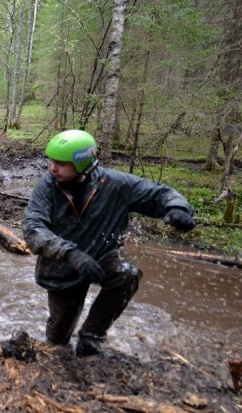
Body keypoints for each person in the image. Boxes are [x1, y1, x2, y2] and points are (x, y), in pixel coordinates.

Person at [22, 130, 196, 357]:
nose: (53, 168)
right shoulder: (46, 188)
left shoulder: (115, 184)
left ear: (83, 163)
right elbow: (33, 229)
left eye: (61, 164)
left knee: (127, 273)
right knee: (57, 340)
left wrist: (177, 208)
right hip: (62, 266)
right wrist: (70, 253)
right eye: (52, 161)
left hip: (103, 256)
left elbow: (157, 193)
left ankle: (91, 337)